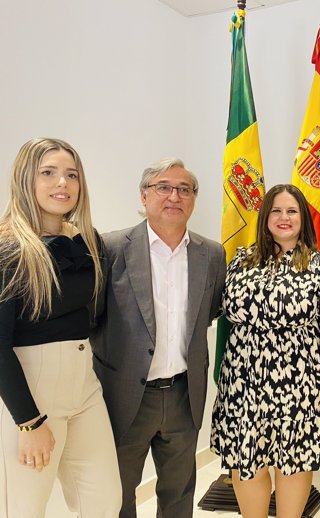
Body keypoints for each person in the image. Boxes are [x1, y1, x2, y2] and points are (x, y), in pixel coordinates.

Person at [90, 158, 226, 517]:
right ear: (144, 195)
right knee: (116, 494)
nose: (174, 196)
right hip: (124, 395)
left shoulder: (211, 254)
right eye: (163, 187)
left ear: (194, 199)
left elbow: (210, 312)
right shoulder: (110, 247)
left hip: (183, 394)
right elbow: (93, 317)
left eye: (184, 189)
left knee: (179, 493)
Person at [211, 184, 320, 518]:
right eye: (276, 210)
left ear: (303, 217)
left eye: (291, 211)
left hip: (299, 383)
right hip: (242, 383)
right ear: (265, 217)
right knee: (249, 464)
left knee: (292, 466)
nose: (284, 217)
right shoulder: (240, 261)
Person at [0, 138, 121, 517]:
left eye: (72, 175)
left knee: (103, 500)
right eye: (48, 173)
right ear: (25, 179)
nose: (63, 184)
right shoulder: (9, 249)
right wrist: (29, 422)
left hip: (84, 387)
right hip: (32, 390)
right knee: (26, 507)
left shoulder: (87, 241)